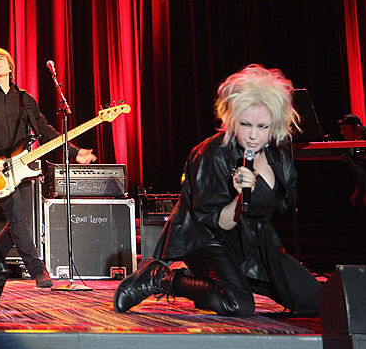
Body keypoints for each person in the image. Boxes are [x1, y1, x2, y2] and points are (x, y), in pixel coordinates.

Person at [114, 64, 320, 316]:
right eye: (246, 125)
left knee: (317, 302)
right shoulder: (211, 153)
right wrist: (239, 197)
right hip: (204, 238)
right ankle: (161, 278)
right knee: (237, 304)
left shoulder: (278, 155)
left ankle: (223, 281)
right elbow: (217, 223)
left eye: (263, 127)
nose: (254, 135)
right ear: (232, 119)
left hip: (248, 240)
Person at [0, 48, 97, 288]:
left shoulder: (25, 99)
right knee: (18, 221)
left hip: (21, 167)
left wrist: (75, 153)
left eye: (1, 58)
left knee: (17, 222)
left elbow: (45, 131)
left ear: (11, 67)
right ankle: (38, 271)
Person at [337, 113, 366, 207]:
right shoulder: (354, 144)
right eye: (341, 129)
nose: (342, 133)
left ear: (357, 128)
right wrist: (358, 191)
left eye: (345, 129)